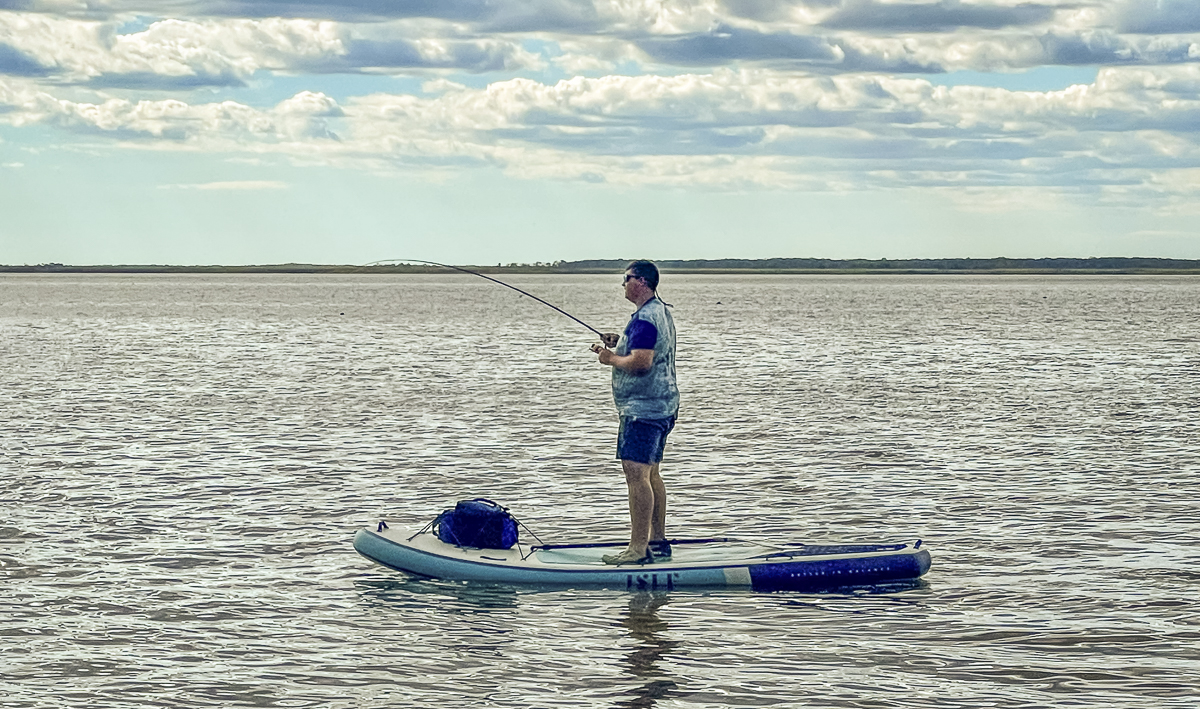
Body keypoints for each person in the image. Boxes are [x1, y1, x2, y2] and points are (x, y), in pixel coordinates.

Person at [590, 260, 679, 565]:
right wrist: (621, 342)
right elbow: (645, 349)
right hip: (663, 405)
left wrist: (609, 358)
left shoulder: (644, 319)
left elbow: (641, 363)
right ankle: (657, 542)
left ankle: (638, 549)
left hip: (642, 410)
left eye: (626, 279)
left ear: (641, 281)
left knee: (636, 475)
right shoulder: (660, 311)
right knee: (651, 473)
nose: (623, 284)